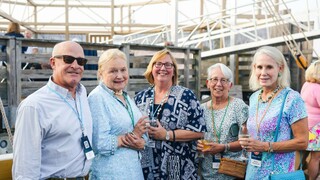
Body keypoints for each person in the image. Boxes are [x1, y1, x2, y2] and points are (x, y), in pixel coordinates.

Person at [12, 41, 93, 179]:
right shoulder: (34, 106)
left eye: (80, 61)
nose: (75, 66)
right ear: (53, 63)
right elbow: (24, 170)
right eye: (68, 59)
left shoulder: (81, 93)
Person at [134, 49, 206, 180]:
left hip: (177, 166)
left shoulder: (186, 96)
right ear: (152, 68)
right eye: (158, 64)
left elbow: (200, 131)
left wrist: (167, 135)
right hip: (147, 165)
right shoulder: (140, 98)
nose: (163, 68)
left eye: (168, 65)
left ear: (174, 71)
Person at [239, 46, 308, 179]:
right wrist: (245, 139)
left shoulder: (292, 98)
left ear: (280, 68)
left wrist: (265, 146)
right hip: (253, 172)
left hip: (278, 174)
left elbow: (303, 142)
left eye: (269, 67)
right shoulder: (254, 98)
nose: (263, 72)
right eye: (259, 67)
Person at [87, 49, 147, 180]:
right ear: (101, 73)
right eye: (113, 71)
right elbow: (100, 144)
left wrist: (142, 142)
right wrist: (134, 135)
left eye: (123, 70)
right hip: (111, 173)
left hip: (133, 171)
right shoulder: (97, 98)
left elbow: (142, 132)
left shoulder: (125, 96)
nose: (119, 75)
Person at [197, 63, 248, 179]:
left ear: (230, 85)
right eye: (214, 79)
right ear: (208, 83)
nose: (218, 84)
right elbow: (195, 137)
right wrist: (197, 145)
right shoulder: (201, 109)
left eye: (224, 80)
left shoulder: (239, 106)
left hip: (233, 174)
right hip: (207, 174)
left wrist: (224, 147)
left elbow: (247, 141)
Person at [301, 60, 320, 180]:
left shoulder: (306, 85)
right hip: (316, 128)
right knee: (315, 158)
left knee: (303, 155)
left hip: (305, 125)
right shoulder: (318, 88)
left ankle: (298, 176)